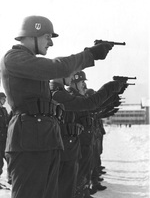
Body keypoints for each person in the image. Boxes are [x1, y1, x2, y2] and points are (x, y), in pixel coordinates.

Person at [0, 15, 114, 198]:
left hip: (44, 141)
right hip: (29, 142)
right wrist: (89, 55)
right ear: (33, 34)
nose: (50, 43)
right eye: (47, 37)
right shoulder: (13, 58)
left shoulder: (29, 63)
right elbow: (55, 68)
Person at [50, 72, 125, 198]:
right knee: (76, 176)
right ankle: (81, 193)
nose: (84, 85)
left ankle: (83, 192)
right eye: (82, 82)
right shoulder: (69, 97)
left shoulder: (74, 97)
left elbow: (95, 108)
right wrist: (112, 90)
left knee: (84, 172)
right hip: (76, 142)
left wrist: (113, 99)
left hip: (82, 140)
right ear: (74, 82)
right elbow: (92, 105)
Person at [0, 93, 9, 184]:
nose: (5, 101)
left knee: (8, 160)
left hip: (4, 140)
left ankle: (10, 179)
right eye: (3, 99)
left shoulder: (4, 110)